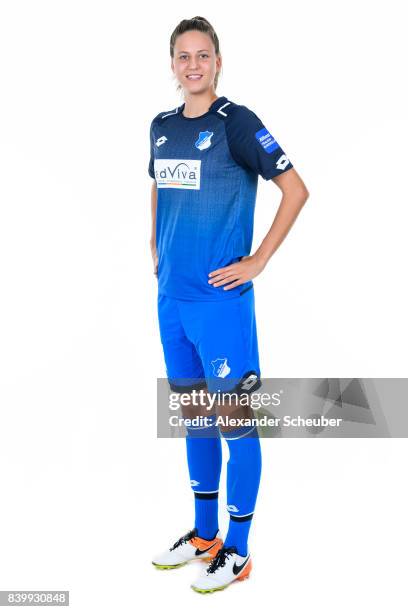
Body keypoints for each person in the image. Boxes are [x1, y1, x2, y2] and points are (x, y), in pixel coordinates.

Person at [148, 16, 309, 594]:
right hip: (173, 301)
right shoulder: (162, 127)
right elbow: (160, 188)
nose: (193, 65)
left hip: (221, 305)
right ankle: (203, 534)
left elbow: (295, 189)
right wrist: (154, 243)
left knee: (235, 423)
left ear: (218, 62)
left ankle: (238, 550)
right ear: (172, 65)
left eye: (203, 55)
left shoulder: (238, 123)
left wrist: (258, 259)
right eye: (183, 56)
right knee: (193, 419)